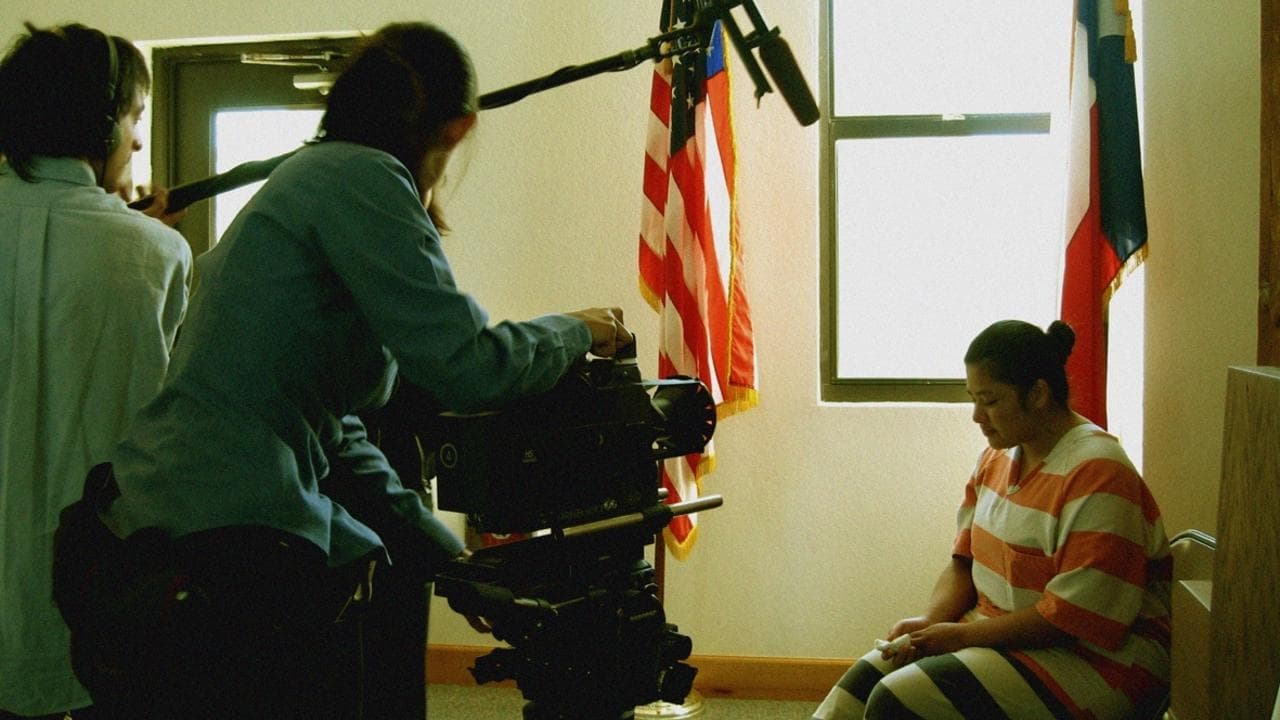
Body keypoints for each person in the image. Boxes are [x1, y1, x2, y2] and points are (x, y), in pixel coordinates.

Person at [72, 21, 633, 718]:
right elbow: (468, 366)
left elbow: (332, 430)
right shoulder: (365, 177)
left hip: (173, 522)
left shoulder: (309, 178)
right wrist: (577, 330)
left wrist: (447, 559)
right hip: (228, 541)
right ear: (455, 130)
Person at [812, 320, 1171, 720]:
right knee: (862, 683)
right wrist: (931, 622)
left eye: (990, 401)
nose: (977, 416)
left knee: (898, 700)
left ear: (1038, 394)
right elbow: (964, 562)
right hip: (1003, 636)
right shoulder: (996, 457)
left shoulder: (1099, 472)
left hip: (1095, 661)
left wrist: (961, 636)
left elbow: (1074, 617)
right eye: (973, 399)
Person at [0, 22, 191, 720]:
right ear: (102, 120)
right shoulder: (158, 254)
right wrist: (140, 232)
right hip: (91, 592)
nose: (137, 142)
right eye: (135, 118)